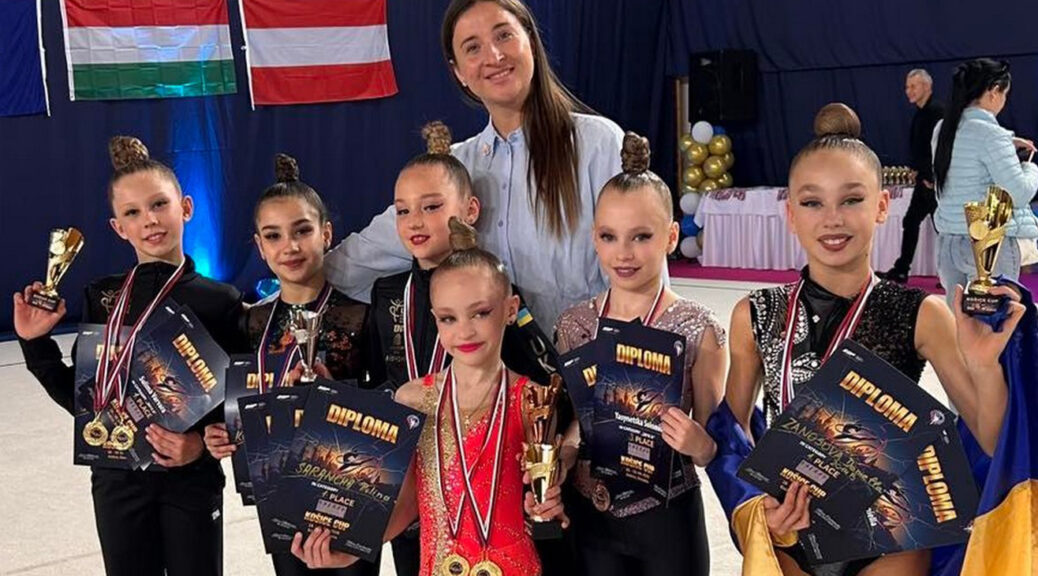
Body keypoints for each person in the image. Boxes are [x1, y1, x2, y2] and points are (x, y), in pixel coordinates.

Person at [711, 105, 1025, 575]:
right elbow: (733, 433)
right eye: (812, 203)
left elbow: (994, 440)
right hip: (792, 533)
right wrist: (756, 506)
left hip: (892, 542)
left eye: (852, 200)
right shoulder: (755, 313)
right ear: (790, 214)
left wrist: (983, 366)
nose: (832, 219)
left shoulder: (921, 313)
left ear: (882, 206)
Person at [13, 136, 248, 576]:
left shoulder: (221, 301)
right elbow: (87, 403)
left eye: (159, 204)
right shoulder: (103, 297)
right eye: (133, 213)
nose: (150, 220)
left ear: (186, 208)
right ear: (118, 227)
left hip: (189, 481)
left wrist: (201, 445)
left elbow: (240, 406)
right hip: (116, 479)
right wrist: (34, 343)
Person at [325, 0, 626, 331]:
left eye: (504, 35)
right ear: (459, 72)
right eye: (473, 47)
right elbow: (355, 262)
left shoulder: (599, 144)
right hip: (486, 364)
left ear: (531, 40)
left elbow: (644, 276)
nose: (494, 56)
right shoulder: (451, 170)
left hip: (591, 361)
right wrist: (289, 283)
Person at [290, 221, 567, 575]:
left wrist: (549, 502)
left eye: (481, 312)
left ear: (511, 309)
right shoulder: (412, 400)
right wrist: (351, 552)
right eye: (449, 318)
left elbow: (546, 492)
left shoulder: (534, 401)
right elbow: (407, 503)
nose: (464, 330)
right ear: (435, 319)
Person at [366, 121, 561, 575]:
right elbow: (375, 383)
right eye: (402, 210)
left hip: (493, 484)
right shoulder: (387, 293)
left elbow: (549, 391)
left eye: (432, 206)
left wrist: (557, 467)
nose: (416, 221)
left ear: (469, 210)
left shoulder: (496, 290)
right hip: (417, 482)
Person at [554, 133, 724, 575]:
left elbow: (716, 447)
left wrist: (700, 444)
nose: (624, 253)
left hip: (666, 520)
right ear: (594, 239)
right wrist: (565, 453)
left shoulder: (698, 328)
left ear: (671, 236)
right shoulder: (573, 325)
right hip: (591, 516)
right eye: (609, 236)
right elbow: (576, 421)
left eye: (641, 236)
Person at [201, 154, 377, 576]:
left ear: (326, 233)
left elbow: (386, 400)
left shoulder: (359, 316)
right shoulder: (250, 323)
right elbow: (234, 403)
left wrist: (340, 396)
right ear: (260, 247)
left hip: (346, 486)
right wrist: (218, 434)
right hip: (279, 488)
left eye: (302, 231)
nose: (290, 246)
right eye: (274, 236)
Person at [932, 58, 1038, 306]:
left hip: (949, 242)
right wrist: (1030, 168)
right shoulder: (991, 135)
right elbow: (1019, 193)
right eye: (1004, 94)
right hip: (987, 242)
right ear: (993, 92)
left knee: (957, 322)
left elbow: (971, 146)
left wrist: (1009, 141)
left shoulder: (942, 129)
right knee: (993, 325)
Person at [879, 69, 945, 283]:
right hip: (924, 180)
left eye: (913, 86)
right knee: (911, 221)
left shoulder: (938, 112)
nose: (908, 91)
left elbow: (942, 148)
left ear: (926, 86)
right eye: (907, 87)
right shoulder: (921, 112)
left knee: (943, 229)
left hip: (935, 182)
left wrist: (932, 176)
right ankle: (901, 269)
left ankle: (950, 274)